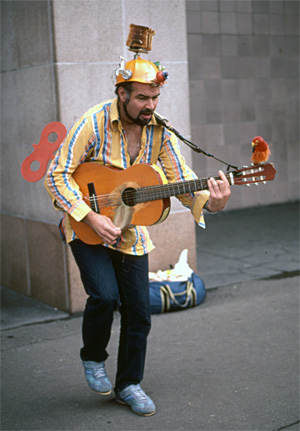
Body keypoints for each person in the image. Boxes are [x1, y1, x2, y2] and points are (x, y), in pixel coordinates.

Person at [45, 49, 231, 417]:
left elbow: (179, 179)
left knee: (139, 314)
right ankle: (93, 357)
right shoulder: (94, 122)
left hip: (133, 233)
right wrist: (90, 215)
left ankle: (128, 384)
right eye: (143, 97)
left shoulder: (160, 130)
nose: (151, 105)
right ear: (122, 94)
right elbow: (56, 174)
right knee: (103, 295)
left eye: (155, 97)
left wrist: (210, 202)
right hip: (87, 225)